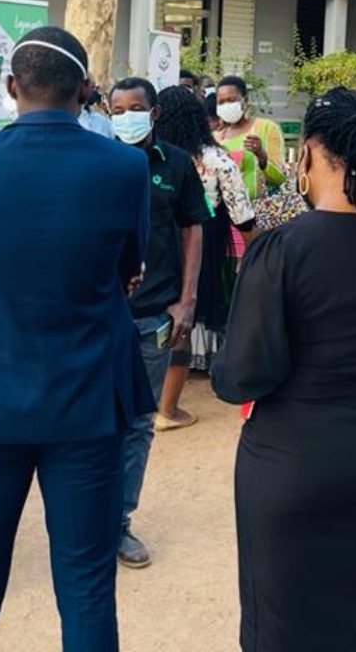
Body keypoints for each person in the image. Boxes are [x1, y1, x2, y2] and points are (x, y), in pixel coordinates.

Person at [0, 27, 152, 652]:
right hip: (87, 404)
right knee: (87, 587)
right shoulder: (125, 166)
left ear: (12, 87)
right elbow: (130, 264)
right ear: (86, 89)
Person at [211, 87, 356, 651]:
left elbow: (241, 376)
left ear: (312, 152)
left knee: (279, 621)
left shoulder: (282, 248)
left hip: (290, 458)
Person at [108, 78, 209, 568]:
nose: (126, 116)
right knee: (91, 420)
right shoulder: (97, 161)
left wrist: (187, 300)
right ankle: (86, 521)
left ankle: (119, 523)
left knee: (138, 422)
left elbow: (193, 229)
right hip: (98, 318)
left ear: (153, 114)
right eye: (117, 109)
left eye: (135, 108)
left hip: (154, 316)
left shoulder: (176, 164)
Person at [155, 84, 257, 373]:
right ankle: (191, 359)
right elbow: (242, 215)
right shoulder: (217, 159)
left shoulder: (154, 157)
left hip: (160, 237)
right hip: (205, 237)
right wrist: (257, 252)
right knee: (197, 297)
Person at [214, 75, 285, 200]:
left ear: (245, 101)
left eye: (231, 100)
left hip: (259, 209)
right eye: (221, 102)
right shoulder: (216, 138)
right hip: (225, 209)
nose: (226, 105)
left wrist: (261, 156)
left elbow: (279, 178)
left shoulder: (267, 128)